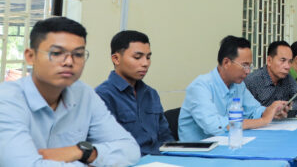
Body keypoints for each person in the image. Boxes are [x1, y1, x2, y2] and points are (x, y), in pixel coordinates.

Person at [0, 17, 140, 166]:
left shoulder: (84, 94)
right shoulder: (7, 99)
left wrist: (82, 152)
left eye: (78, 54)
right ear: (30, 56)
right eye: (56, 53)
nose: (69, 62)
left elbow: (130, 150)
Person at [178, 36, 285, 141]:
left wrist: (271, 111)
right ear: (226, 63)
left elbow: (253, 111)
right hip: (198, 150)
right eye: (244, 65)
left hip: (228, 144)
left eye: (249, 66)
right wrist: (263, 120)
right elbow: (215, 126)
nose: (248, 71)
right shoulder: (200, 87)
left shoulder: (238, 85)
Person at [96, 30, 174, 155]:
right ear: (116, 59)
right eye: (137, 57)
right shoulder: (102, 96)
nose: (145, 63)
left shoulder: (151, 94)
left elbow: (166, 138)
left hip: (160, 159)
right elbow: (106, 148)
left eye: (148, 57)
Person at [245, 40, 297, 110]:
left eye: (290, 61)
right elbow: (246, 110)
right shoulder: (252, 81)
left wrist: (287, 107)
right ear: (269, 60)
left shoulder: (287, 78)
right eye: (283, 60)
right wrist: (271, 111)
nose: (287, 66)